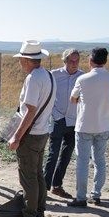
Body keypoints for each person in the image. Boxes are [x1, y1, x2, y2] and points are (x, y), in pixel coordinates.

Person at [7, 40, 56, 217]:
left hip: (31, 134)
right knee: (37, 175)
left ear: (27, 60)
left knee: (28, 178)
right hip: (42, 132)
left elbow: (30, 111)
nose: (20, 63)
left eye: (21, 59)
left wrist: (17, 137)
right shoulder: (48, 76)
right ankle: (39, 214)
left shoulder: (33, 78)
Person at [67, 47, 109, 207]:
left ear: (90, 60)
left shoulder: (82, 79)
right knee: (100, 161)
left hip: (84, 125)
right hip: (103, 125)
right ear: (105, 61)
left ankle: (81, 197)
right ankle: (96, 195)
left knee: (82, 162)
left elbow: (72, 99)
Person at [43, 48, 84, 198]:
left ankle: (57, 185)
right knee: (53, 154)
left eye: (77, 60)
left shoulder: (82, 77)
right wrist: (55, 115)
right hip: (58, 119)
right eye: (71, 61)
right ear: (65, 61)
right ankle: (44, 187)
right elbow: (48, 95)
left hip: (75, 121)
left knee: (66, 155)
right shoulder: (54, 75)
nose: (74, 64)